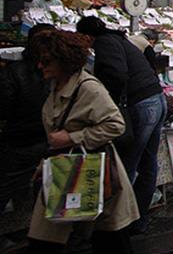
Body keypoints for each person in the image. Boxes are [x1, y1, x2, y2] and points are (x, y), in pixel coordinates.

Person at [27, 30, 138, 253]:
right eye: (39, 60)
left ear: (65, 61)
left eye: (47, 61)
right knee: (45, 238)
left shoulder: (88, 88)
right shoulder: (54, 84)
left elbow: (115, 125)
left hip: (94, 173)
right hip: (64, 171)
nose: (41, 65)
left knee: (110, 239)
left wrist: (72, 137)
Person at [75, 16, 165, 235]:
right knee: (147, 163)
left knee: (128, 164)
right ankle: (139, 220)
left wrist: (108, 102)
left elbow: (116, 74)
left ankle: (121, 222)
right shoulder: (119, 40)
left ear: (87, 36)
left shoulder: (105, 43)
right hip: (157, 99)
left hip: (142, 104)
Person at [0, 24, 55, 218]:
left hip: (20, 139)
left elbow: (5, 108)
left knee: (9, 185)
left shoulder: (13, 71)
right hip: (46, 139)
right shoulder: (58, 70)